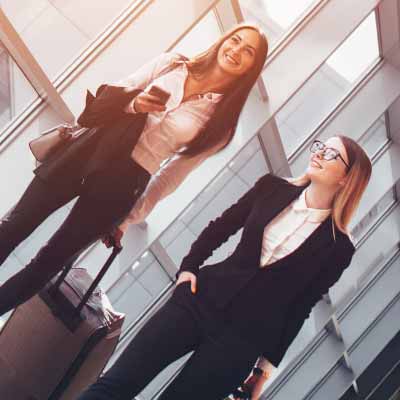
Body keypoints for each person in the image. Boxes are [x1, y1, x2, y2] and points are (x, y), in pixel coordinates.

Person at [0, 23, 268, 317]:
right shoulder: (173, 64)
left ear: (250, 69)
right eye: (235, 40)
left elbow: (172, 176)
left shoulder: (221, 125)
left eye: (248, 52)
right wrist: (136, 103)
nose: (236, 51)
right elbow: (117, 91)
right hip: (93, 148)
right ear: (223, 41)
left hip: (125, 183)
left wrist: (129, 219)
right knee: (14, 226)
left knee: (46, 264)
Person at [77, 135, 372, 399]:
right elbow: (221, 227)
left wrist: (263, 370)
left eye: (332, 154)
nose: (319, 153)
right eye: (320, 146)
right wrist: (188, 268)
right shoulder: (271, 188)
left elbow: (301, 306)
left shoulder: (339, 248)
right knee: (115, 386)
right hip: (197, 302)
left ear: (347, 179)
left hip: (240, 343)